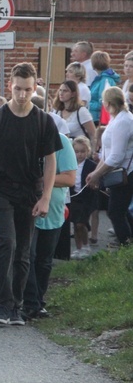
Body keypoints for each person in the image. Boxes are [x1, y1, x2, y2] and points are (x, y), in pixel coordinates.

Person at [0, 62, 62, 326]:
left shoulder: (43, 121)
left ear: (34, 88)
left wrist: (46, 196)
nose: (22, 94)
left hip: (28, 191)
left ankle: (16, 305)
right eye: (17, 89)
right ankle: (2, 305)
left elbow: (50, 161)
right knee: (7, 243)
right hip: (0, 188)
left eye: (26, 89)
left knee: (24, 252)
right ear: (9, 86)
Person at [23, 130, 77, 319]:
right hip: (26, 207)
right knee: (27, 256)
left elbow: (70, 178)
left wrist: (42, 179)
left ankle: (38, 301)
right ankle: (29, 302)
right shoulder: (25, 137)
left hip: (52, 211)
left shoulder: (61, 141)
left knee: (44, 261)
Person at [86, 87, 133, 245]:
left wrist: (97, 174)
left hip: (125, 173)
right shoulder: (118, 118)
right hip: (119, 171)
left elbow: (116, 156)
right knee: (121, 209)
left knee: (115, 212)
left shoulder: (122, 121)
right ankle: (128, 241)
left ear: (108, 103)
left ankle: (125, 243)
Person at [69, 137, 97, 259]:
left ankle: (86, 246)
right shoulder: (70, 164)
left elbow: (97, 182)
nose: (79, 154)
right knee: (75, 223)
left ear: (88, 151)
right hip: (74, 197)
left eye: (82, 151)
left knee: (81, 223)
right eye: (77, 151)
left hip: (87, 198)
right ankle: (78, 248)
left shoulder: (92, 165)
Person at [88, 51, 120, 124]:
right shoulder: (100, 79)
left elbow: (103, 102)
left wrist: (87, 104)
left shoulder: (105, 80)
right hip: (96, 117)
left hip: (100, 119)